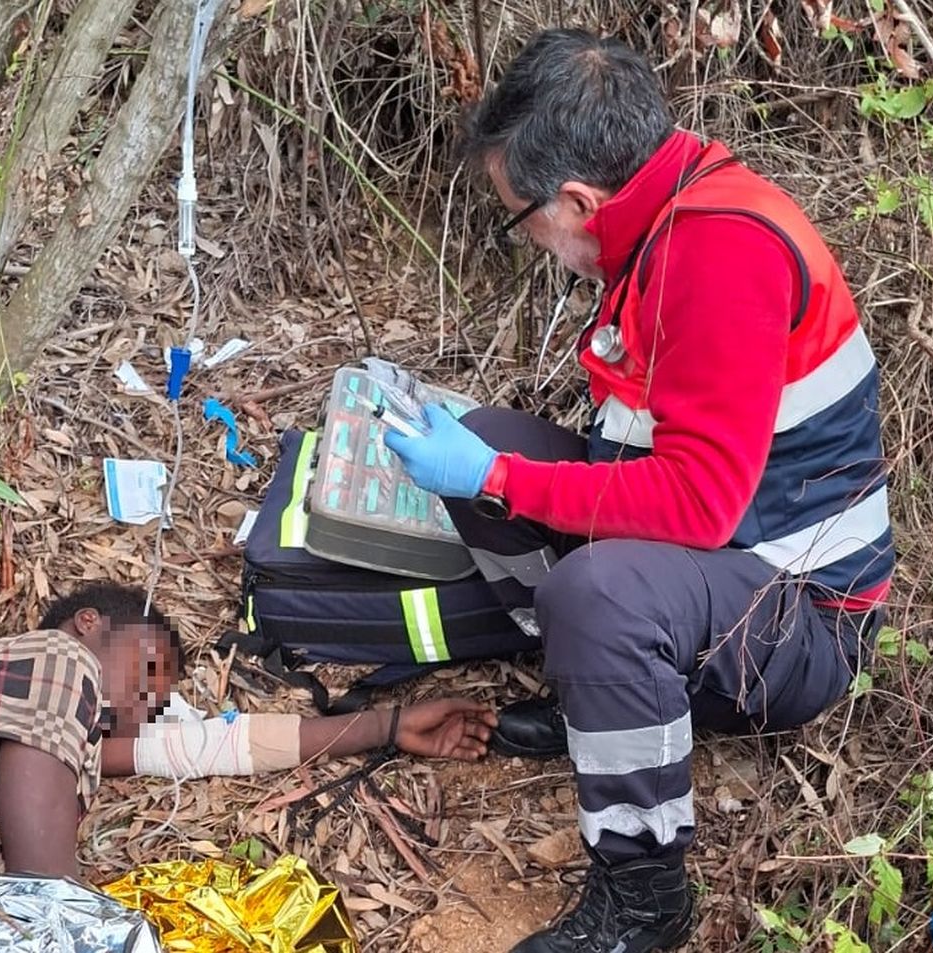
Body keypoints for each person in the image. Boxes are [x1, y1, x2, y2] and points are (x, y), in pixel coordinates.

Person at [382, 28, 894, 953]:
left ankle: (644, 893)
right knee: (490, 442)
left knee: (593, 587)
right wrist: (490, 464)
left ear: (577, 200)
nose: (528, 238)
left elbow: (700, 505)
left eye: (520, 217)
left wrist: (496, 478)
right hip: (725, 567)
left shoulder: (718, 255)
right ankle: (605, 695)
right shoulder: (670, 208)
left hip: (801, 613)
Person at [0, 582, 496, 951]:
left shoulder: (44, 731)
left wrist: (389, 725)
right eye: (148, 678)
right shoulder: (55, 659)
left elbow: (221, 747)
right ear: (92, 623)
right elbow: (47, 896)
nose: (139, 712)